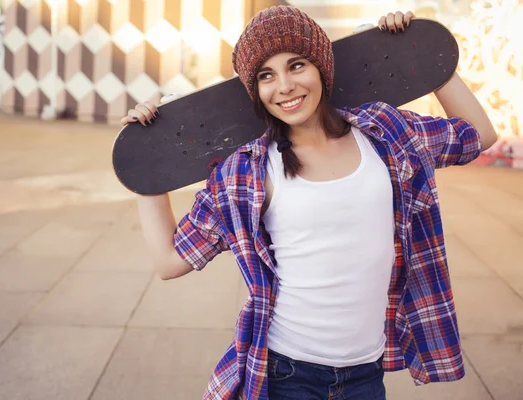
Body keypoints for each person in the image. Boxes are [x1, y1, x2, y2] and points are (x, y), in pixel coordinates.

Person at [121, 6, 497, 400]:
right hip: (287, 373)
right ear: (255, 90)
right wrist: (148, 162)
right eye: (266, 75)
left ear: (321, 68)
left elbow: (479, 135)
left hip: (366, 375)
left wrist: (423, 55)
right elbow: (169, 261)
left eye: (296, 65)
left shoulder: (385, 132)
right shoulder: (247, 171)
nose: (284, 86)